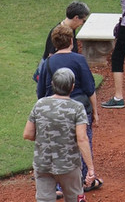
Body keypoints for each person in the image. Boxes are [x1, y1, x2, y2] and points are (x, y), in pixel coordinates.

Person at [24, 67, 95, 202]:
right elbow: (82, 138)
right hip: (69, 165)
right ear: (72, 87)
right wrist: (90, 168)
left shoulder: (40, 105)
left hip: (43, 165)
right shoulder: (76, 108)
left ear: (53, 85)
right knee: (76, 201)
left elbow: (28, 134)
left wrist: (48, 140)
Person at [37, 24, 102, 190]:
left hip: (54, 110)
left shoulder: (48, 62)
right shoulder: (79, 60)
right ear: (71, 41)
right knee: (83, 142)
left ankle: (59, 186)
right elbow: (89, 88)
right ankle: (86, 180)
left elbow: (41, 92)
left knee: (58, 145)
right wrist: (95, 112)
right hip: (79, 109)